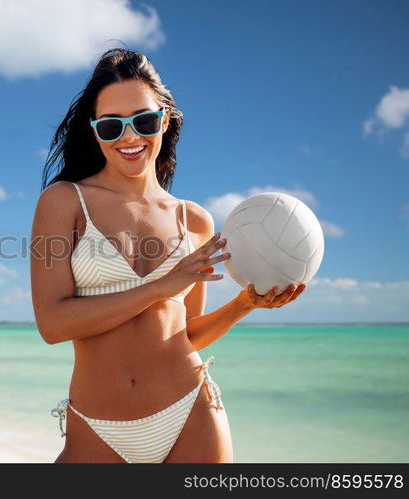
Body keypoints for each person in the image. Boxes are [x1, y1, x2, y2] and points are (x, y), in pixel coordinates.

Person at [30, 48, 306, 463]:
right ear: (94, 130)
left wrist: (243, 305)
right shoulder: (64, 202)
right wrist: (162, 286)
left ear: (164, 120)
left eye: (142, 120)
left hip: (191, 413)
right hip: (97, 427)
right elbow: (53, 324)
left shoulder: (193, 220)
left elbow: (186, 335)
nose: (129, 136)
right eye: (111, 126)